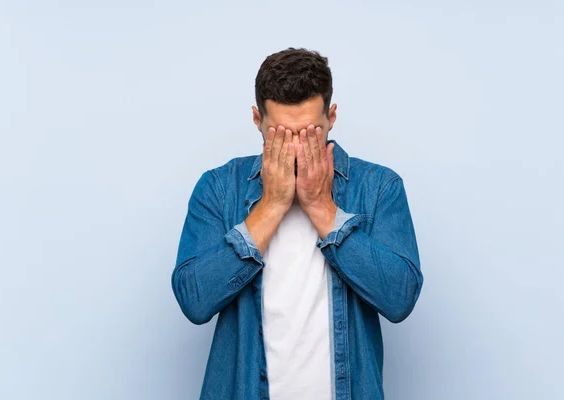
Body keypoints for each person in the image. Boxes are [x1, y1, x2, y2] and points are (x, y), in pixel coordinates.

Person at [171, 47, 424, 400]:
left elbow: (399, 299)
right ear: (257, 119)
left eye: (310, 133)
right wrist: (272, 204)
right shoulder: (218, 188)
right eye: (281, 134)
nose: (296, 147)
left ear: (331, 116)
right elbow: (194, 301)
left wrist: (322, 208)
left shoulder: (379, 187)